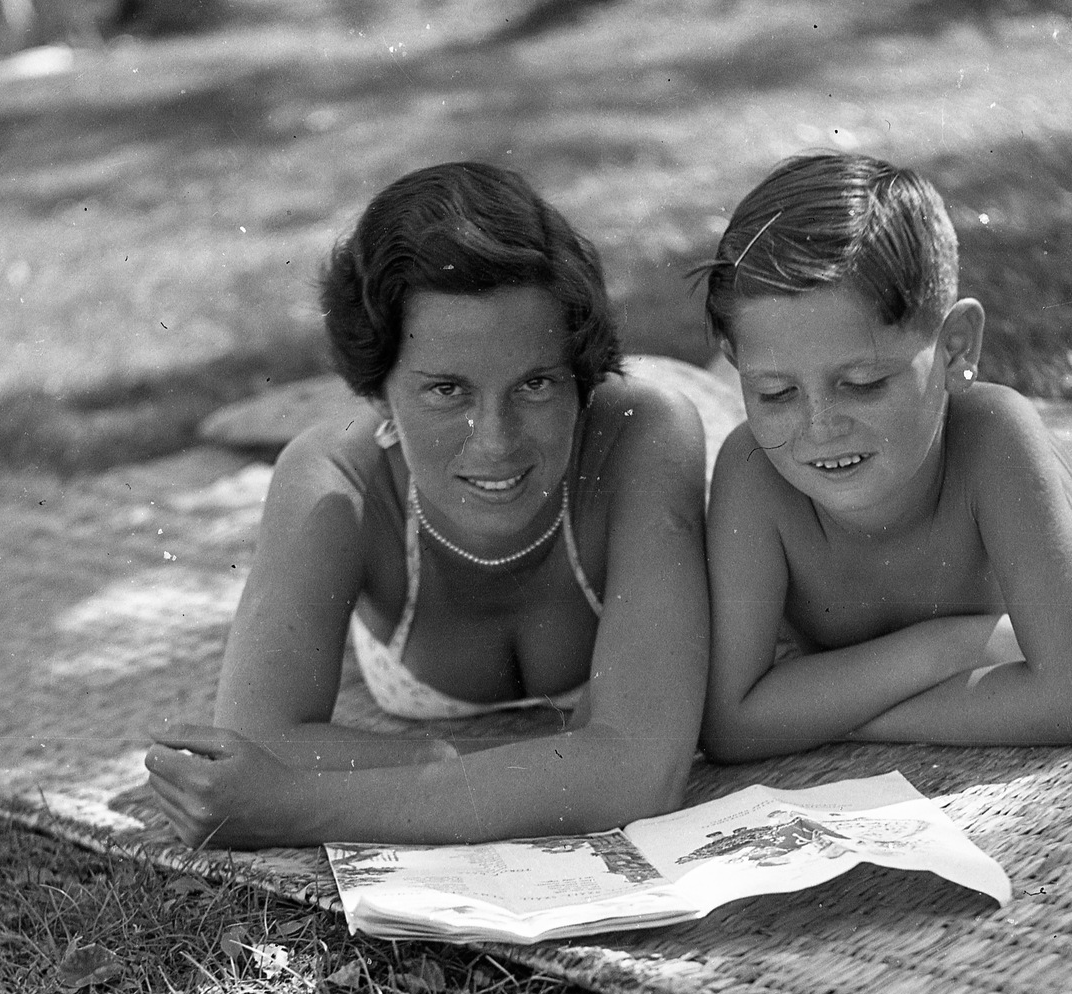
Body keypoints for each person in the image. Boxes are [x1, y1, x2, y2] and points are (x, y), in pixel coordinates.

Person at [146, 162, 708, 849]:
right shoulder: (333, 480)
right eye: (447, 390)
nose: (496, 441)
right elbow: (256, 744)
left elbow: (644, 776)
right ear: (377, 390)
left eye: (536, 383)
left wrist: (302, 805)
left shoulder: (644, 437)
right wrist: (578, 762)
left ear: (580, 377)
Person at [697, 151, 1072, 762]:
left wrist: (812, 711)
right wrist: (947, 648)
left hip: (1046, 477)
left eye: (863, 382)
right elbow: (730, 725)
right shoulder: (753, 474)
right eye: (774, 393)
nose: (819, 427)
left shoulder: (997, 442)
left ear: (955, 348)